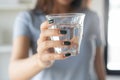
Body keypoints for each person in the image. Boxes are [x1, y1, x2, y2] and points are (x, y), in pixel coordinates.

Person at [9, 0, 106, 80]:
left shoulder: (92, 17)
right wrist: (40, 61)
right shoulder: (28, 18)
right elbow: (14, 74)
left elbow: (99, 64)